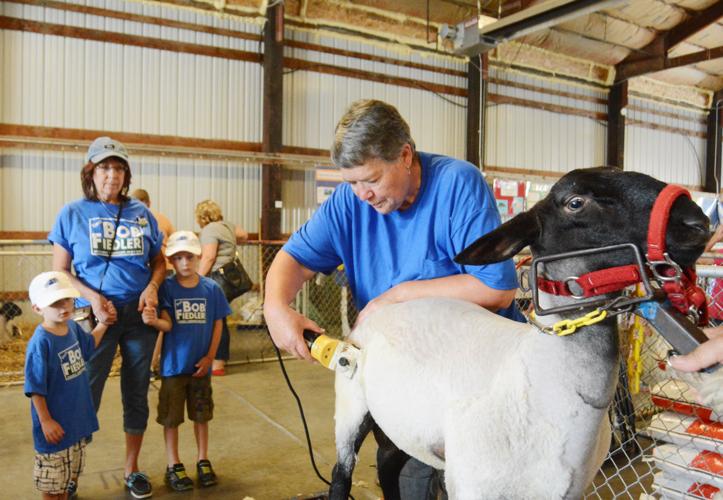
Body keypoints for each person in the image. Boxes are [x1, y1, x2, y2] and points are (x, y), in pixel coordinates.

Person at [263, 99, 523, 498]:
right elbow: (293, 259)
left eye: (371, 179)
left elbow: (496, 287)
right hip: (404, 380)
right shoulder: (349, 203)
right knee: (400, 478)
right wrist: (275, 307)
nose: (361, 194)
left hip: (477, 384)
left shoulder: (457, 185)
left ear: (405, 155)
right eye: (351, 181)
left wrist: (397, 297)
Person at [49, 137, 166, 499]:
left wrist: (152, 288)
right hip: (94, 317)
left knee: (136, 392)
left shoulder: (141, 214)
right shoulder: (72, 213)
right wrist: (94, 298)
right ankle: (72, 472)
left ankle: (132, 469)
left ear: (126, 174)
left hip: (137, 316)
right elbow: (61, 271)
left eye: (118, 168)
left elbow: (158, 261)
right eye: (104, 168)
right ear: (91, 172)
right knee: (84, 393)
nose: (111, 175)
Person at [140, 231, 231, 491]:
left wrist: (210, 357)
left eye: (189, 257)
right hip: (173, 367)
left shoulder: (211, 289)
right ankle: (174, 464)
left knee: (201, 415)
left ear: (198, 256)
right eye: (178, 258)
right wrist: (153, 322)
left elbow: (217, 324)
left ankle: (203, 460)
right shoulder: (167, 288)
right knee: (171, 418)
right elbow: (166, 324)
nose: (184, 263)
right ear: (171, 261)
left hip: (200, 366)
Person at [24, 271, 109, 500]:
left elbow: (88, 346)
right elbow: (35, 388)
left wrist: (103, 323)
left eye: (67, 299)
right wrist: (46, 421)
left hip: (75, 423)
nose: (64, 306)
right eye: (55, 302)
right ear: (38, 308)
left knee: (67, 483)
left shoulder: (71, 327)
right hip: (55, 428)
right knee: (52, 489)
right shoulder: (41, 342)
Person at [195, 199, 248, 376]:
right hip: (232, 278)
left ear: (201, 217)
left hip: (217, 279)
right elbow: (244, 235)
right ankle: (217, 360)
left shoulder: (209, 230)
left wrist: (198, 280)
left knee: (215, 319)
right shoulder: (227, 225)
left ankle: (217, 363)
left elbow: (209, 257)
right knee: (219, 318)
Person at [131, 188, 176, 375]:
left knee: (154, 318)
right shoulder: (162, 218)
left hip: (151, 272)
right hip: (167, 268)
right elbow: (173, 242)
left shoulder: (133, 218)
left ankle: (151, 362)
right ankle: (155, 361)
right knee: (162, 316)